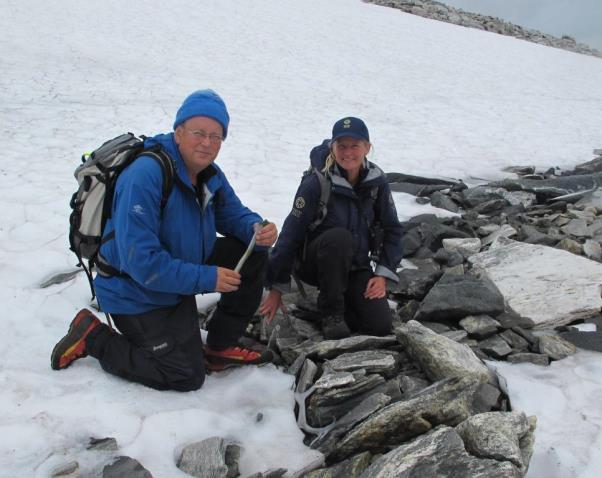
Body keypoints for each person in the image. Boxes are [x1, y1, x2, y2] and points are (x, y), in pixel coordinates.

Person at [51, 89, 278, 391]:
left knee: (252, 255)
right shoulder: (146, 175)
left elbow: (232, 213)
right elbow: (141, 263)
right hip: (134, 290)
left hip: (177, 272)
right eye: (199, 132)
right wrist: (206, 277)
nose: (207, 143)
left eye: (216, 136)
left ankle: (220, 346)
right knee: (185, 375)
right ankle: (92, 336)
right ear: (179, 132)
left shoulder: (208, 173)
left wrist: (255, 228)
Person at [259, 117, 402, 339]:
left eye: (355, 145)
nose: (348, 152)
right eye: (341, 146)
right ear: (332, 147)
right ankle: (331, 313)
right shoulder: (316, 182)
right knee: (339, 238)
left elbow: (392, 229)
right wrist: (277, 287)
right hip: (314, 264)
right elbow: (291, 234)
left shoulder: (377, 182)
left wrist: (382, 274)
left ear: (367, 147)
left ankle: (330, 308)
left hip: (355, 265)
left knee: (380, 326)